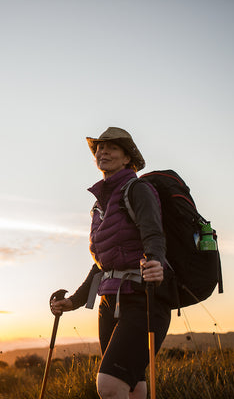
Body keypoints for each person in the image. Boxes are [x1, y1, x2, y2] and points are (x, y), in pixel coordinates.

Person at [50, 127, 171, 399]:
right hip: (110, 304)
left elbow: (153, 232)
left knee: (109, 385)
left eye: (111, 148)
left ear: (128, 158)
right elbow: (103, 264)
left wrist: (155, 262)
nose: (102, 152)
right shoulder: (99, 206)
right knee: (132, 386)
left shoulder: (138, 190)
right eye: (99, 149)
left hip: (145, 298)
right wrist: (74, 301)